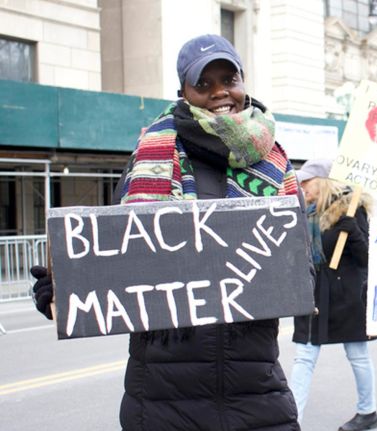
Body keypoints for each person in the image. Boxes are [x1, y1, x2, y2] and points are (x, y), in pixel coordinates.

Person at [31, 34, 305, 430]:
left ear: (243, 82)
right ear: (184, 92)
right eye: (204, 84)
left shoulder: (277, 164)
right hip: (162, 396)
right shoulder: (149, 156)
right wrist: (67, 289)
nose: (220, 92)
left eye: (229, 79)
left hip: (256, 391)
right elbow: (118, 255)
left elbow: (299, 267)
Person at [288, 159, 377, 431]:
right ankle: (292, 420)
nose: (302, 187)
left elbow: (367, 261)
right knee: (303, 358)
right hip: (312, 295)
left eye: (307, 182)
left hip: (345, 296)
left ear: (324, 181)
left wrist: (354, 234)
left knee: (358, 355)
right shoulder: (303, 213)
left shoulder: (351, 210)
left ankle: (368, 413)